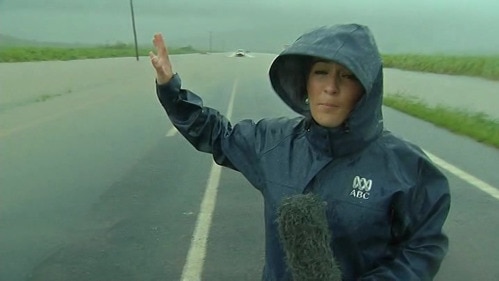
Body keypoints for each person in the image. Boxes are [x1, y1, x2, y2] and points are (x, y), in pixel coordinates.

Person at [149, 23, 451, 280]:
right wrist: (169, 89)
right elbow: (217, 134)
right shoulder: (272, 142)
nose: (330, 87)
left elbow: (423, 247)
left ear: (366, 90)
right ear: (305, 84)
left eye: (347, 76)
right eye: (321, 73)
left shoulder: (407, 169)